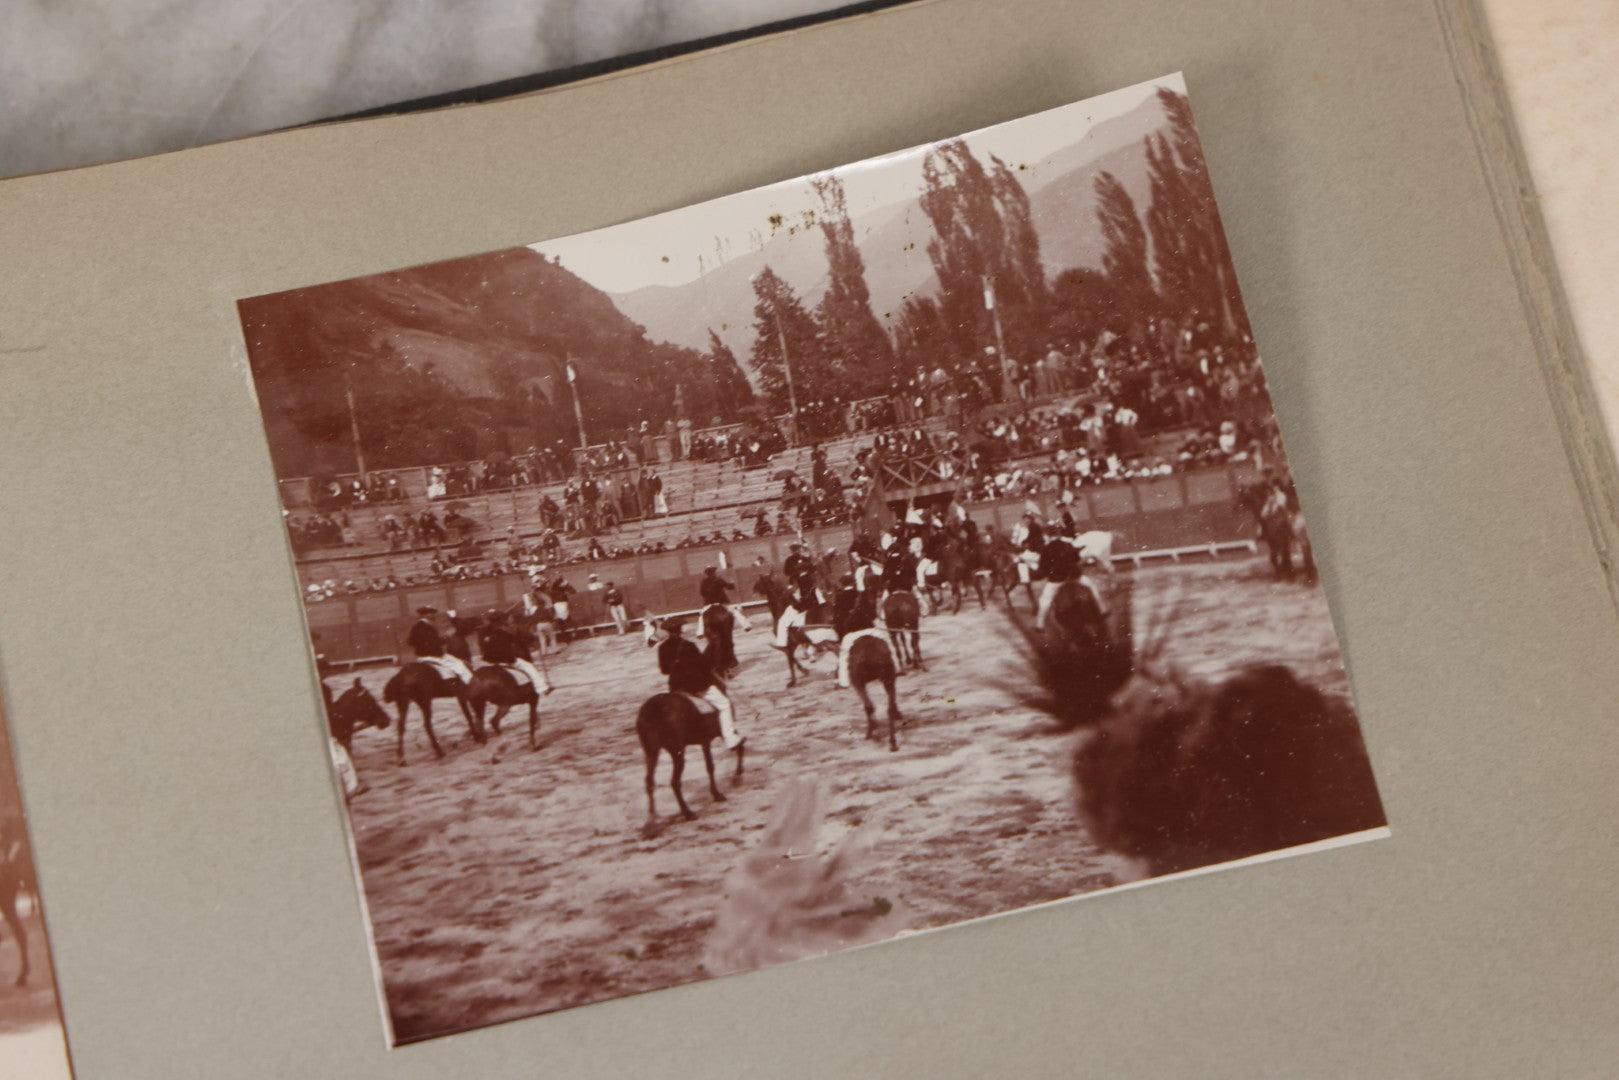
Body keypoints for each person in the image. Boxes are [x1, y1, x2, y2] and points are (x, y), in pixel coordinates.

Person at [656, 617, 743, 751]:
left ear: (667, 631)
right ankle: (730, 738)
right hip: (694, 685)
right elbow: (703, 665)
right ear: (680, 630)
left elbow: (664, 670)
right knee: (724, 704)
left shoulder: (662, 648)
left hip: (675, 686)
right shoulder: (689, 645)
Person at [477, 609, 551, 694]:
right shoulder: (503, 629)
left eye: (485, 619)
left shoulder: (481, 632)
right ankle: (541, 687)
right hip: (506, 658)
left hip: (488, 659)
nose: (484, 621)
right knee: (528, 666)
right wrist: (532, 640)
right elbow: (518, 637)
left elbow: (482, 645)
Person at [831, 574, 885, 689]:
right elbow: (872, 614)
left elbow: (837, 620)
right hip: (869, 630)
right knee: (885, 643)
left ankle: (843, 682)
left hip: (852, 633)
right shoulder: (861, 595)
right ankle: (894, 669)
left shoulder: (840, 598)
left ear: (843, 584)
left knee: (844, 656)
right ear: (853, 583)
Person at [405, 606, 471, 683]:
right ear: (425, 615)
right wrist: (447, 637)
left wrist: (422, 645)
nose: (433, 615)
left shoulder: (415, 627)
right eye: (431, 613)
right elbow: (435, 643)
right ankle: (471, 685)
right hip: (434, 657)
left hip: (421, 657)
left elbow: (410, 642)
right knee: (459, 664)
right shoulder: (427, 627)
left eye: (433, 613)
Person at [1034, 532, 1081, 631]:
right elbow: (1077, 558)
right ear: (1058, 535)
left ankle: (1040, 624)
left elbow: (1043, 567)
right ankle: (1103, 609)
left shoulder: (1046, 549)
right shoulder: (1068, 544)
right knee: (1091, 586)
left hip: (1056, 580)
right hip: (1073, 577)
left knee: (1045, 599)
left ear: (1047, 536)